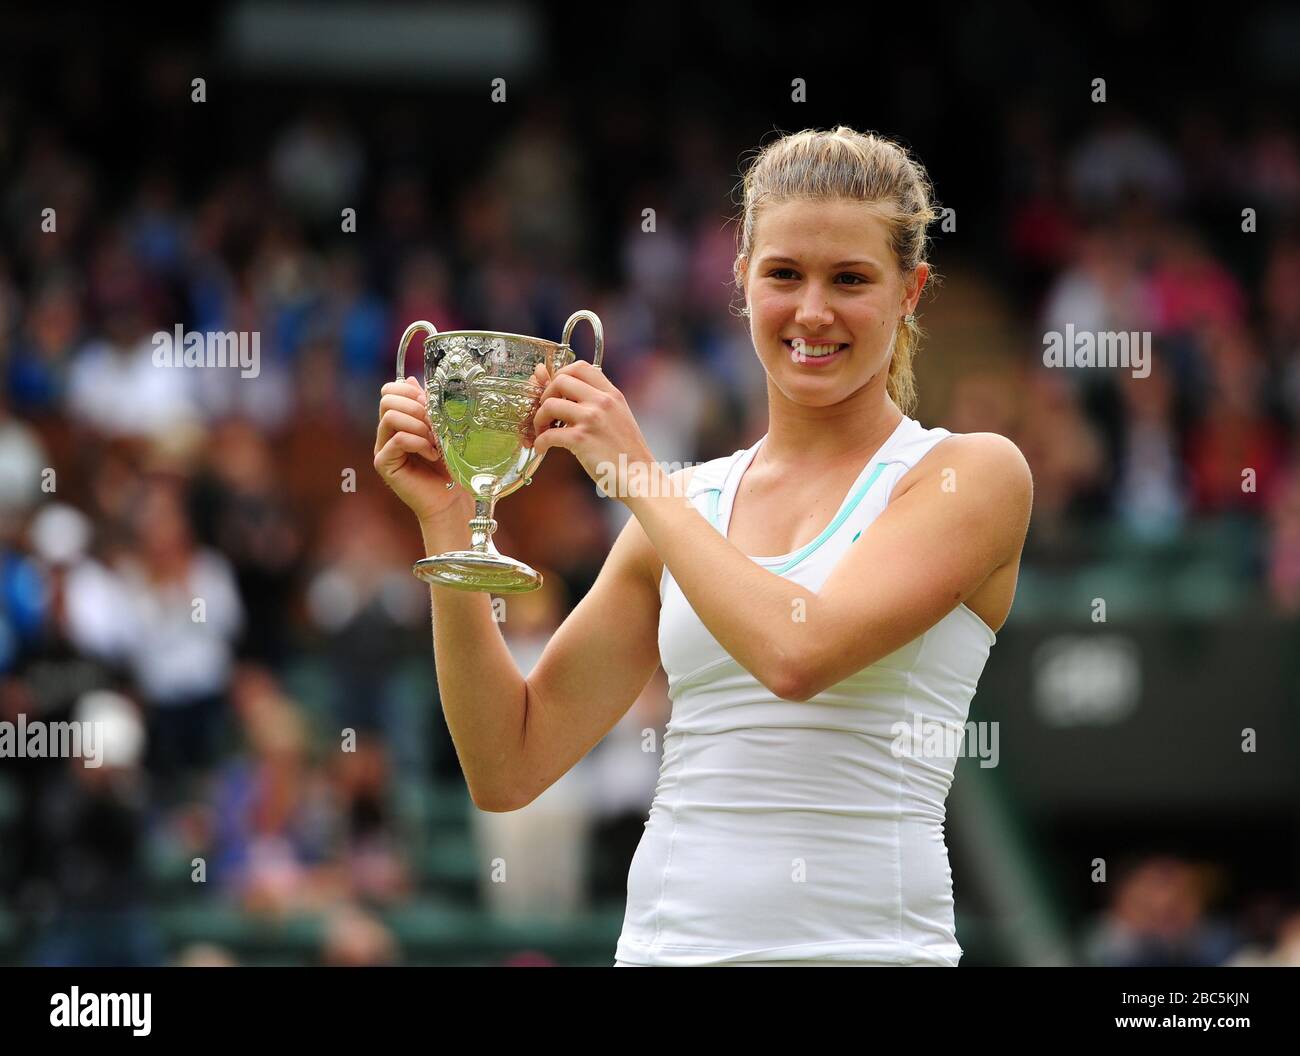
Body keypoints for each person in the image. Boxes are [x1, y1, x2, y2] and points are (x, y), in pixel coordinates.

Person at [374, 126, 1033, 966]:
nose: (814, 311)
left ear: (911, 291)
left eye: (852, 279)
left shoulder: (969, 475)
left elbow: (798, 652)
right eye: (785, 274)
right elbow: (508, 763)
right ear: (742, 280)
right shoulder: (686, 505)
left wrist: (641, 481)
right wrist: (446, 521)